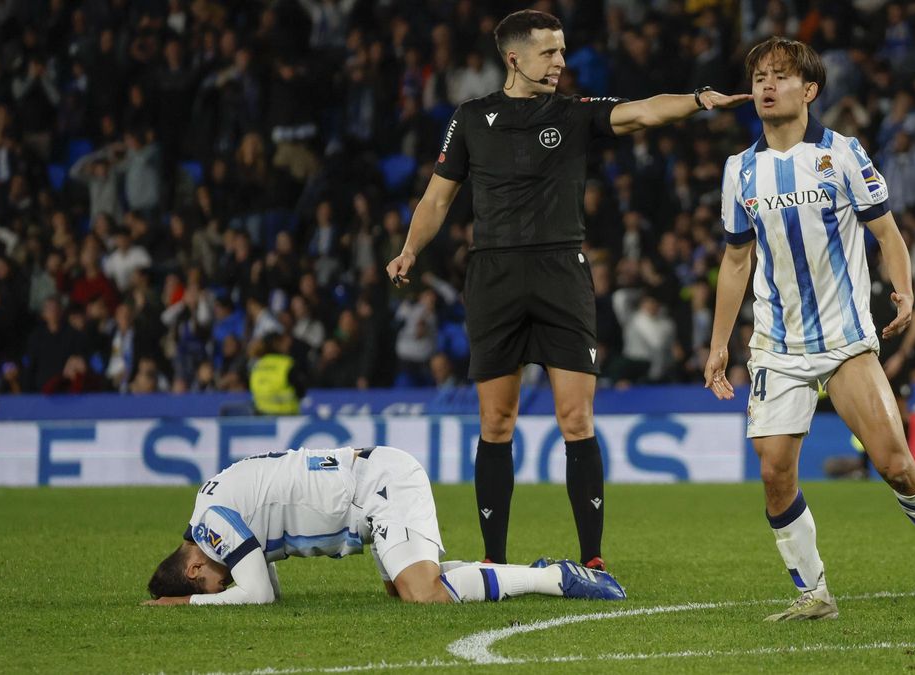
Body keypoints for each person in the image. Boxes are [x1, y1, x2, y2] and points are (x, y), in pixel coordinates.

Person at [384, 9, 750, 569]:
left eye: (561, 51)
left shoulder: (573, 113)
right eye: (549, 52)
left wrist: (699, 99)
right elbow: (437, 199)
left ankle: (593, 559)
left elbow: (644, 113)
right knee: (495, 423)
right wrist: (411, 249)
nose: (560, 62)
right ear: (514, 58)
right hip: (495, 278)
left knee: (576, 420)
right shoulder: (471, 118)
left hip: (562, 274)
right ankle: (494, 561)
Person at [703, 38, 915, 621]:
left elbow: (887, 233)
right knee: (775, 472)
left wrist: (904, 288)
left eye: (779, 76)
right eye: (758, 78)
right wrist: (717, 346)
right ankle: (814, 593)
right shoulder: (740, 171)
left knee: (895, 464)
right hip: (775, 346)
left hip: (844, 342)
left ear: (809, 91)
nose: (766, 86)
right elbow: (735, 262)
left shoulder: (842, 154)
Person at [145, 445, 626, 606]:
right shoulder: (212, 508)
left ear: (191, 570)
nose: (223, 582)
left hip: (375, 486)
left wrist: (184, 605)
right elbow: (262, 584)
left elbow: (258, 595)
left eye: (213, 584)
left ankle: (555, 578)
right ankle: (523, 569)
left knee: (423, 592)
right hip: (367, 490)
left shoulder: (209, 526)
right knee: (403, 590)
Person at [248, 332, 307, 415]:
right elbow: (301, 391)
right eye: (283, 342)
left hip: (262, 417)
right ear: (277, 344)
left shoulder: (257, 365)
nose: (287, 345)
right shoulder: (287, 364)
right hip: (286, 417)